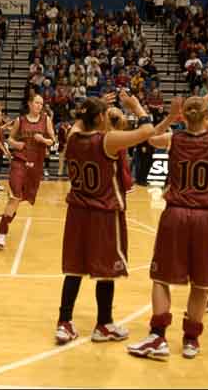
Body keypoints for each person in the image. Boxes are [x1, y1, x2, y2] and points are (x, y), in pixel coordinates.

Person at [129, 84, 208, 360]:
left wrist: (169, 118)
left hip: (175, 214)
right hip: (206, 217)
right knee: (200, 283)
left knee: (161, 278)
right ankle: (191, 340)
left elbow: (150, 138)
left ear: (184, 117)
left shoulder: (173, 139)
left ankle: (158, 337)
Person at [52, 92, 162, 346]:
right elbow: (147, 130)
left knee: (74, 269)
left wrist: (95, 105)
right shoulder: (108, 141)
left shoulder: (73, 137)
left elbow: (80, 122)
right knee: (105, 271)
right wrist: (136, 106)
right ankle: (104, 324)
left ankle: (64, 322)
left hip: (77, 212)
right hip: (103, 213)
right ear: (101, 117)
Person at [0, 94, 57, 249]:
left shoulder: (46, 120)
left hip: (36, 164)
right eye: (37, 103)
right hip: (19, 161)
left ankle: (6, 219)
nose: (39, 106)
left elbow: (53, 140)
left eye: (41, 104)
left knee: (20, 199)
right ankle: (1, 233)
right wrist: (16, 144)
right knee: (15, 195)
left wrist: (43, 140)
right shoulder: (20, 120)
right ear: (30, 104)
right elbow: (9, 139)